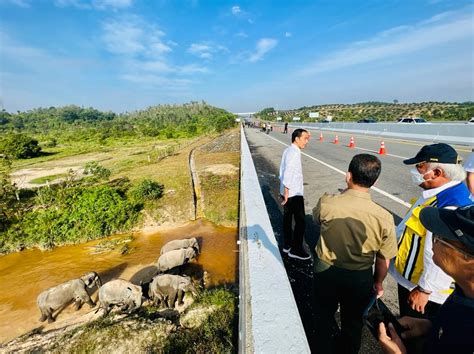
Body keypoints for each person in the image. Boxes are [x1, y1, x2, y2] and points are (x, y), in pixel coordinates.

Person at [312, 154, 398, 354]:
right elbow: (384, 257)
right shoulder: (384, 217)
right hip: (360, 276)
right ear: (374, 182)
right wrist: (378, 282)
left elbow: (316, 220)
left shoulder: (327, 203)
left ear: (348, 176)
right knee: (353, 322)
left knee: (323, 315)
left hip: (326, 270)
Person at [389, 143, 471, 319]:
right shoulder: (436, 191)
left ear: (437, 173)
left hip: (428, 294)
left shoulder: (449, 205)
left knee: (415, 336)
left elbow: (443, 254)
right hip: (412, 281)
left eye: (420, 166)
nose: (416, 171)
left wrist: (425, 290)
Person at [379, 204, 474, 354]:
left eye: (440, 237)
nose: (433, 241)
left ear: (467, 259)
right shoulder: (464, 291)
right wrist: (431, 326)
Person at [279, 128, 311, 260]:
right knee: (300, 222)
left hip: (286, 191)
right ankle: (296, 249)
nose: (307, 142)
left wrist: (282, 190)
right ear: (296, 139)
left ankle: (287, 245)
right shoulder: (294, 153)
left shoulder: (288, 150)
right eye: (305, 139)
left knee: (287, 219)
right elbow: (288, 172)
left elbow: (282, 171)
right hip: (293, 193)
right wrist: (287, 192)